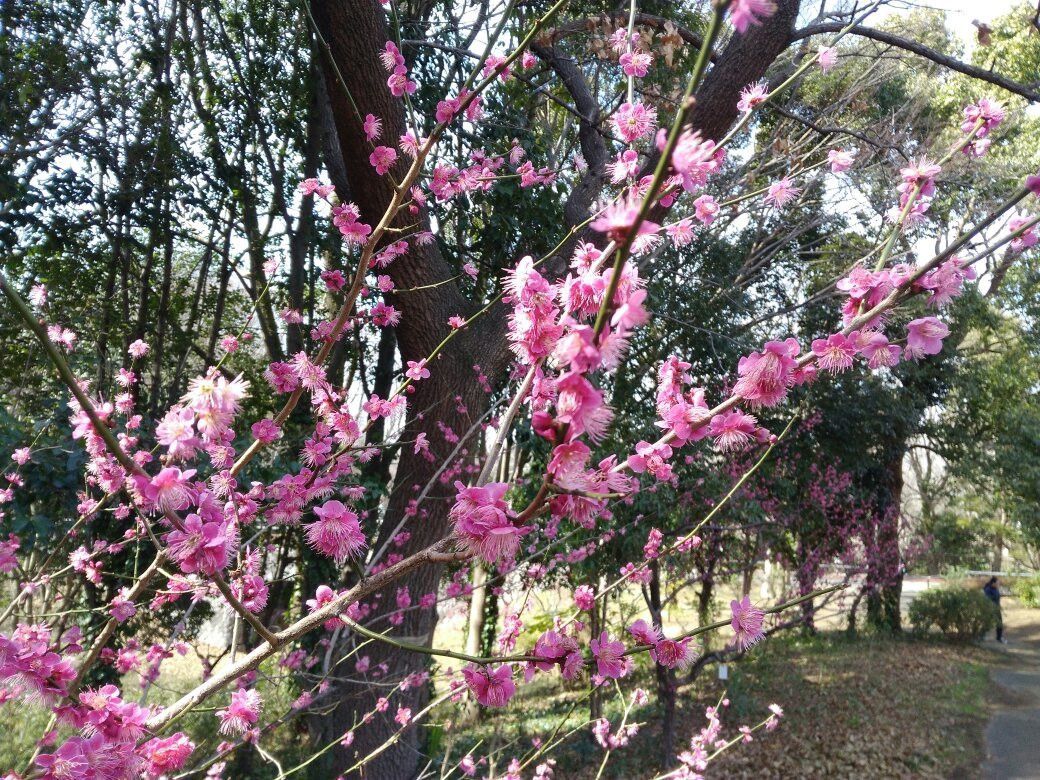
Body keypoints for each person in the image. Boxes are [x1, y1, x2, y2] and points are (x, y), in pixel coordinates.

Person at [984, 576, 1006, 643]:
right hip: (990, 609)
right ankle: (981, 636)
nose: (998, 584)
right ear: (993, 583)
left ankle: (999, 638)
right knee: (986, 623)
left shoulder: (996, 589)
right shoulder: (988, 590)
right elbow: (987, 600)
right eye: (997, 583)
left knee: (999, 624)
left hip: (997, 609)